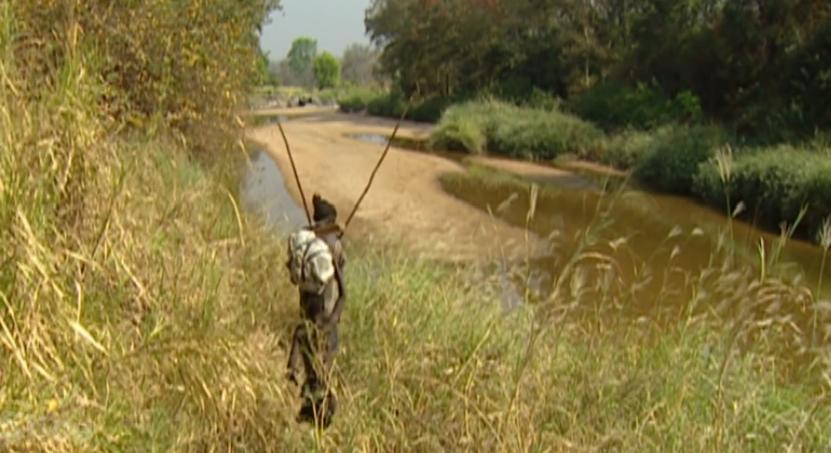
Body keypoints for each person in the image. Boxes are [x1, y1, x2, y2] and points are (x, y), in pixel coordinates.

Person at [286, 194, 346, 428]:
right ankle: (317, 411)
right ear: (331, 219)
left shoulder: (307, 242)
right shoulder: (334, 245)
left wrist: (291, 369)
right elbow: (342, 293)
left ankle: (306, 396)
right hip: (326, 309)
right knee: (324, 363)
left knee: (309, 351)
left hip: (307, 305)